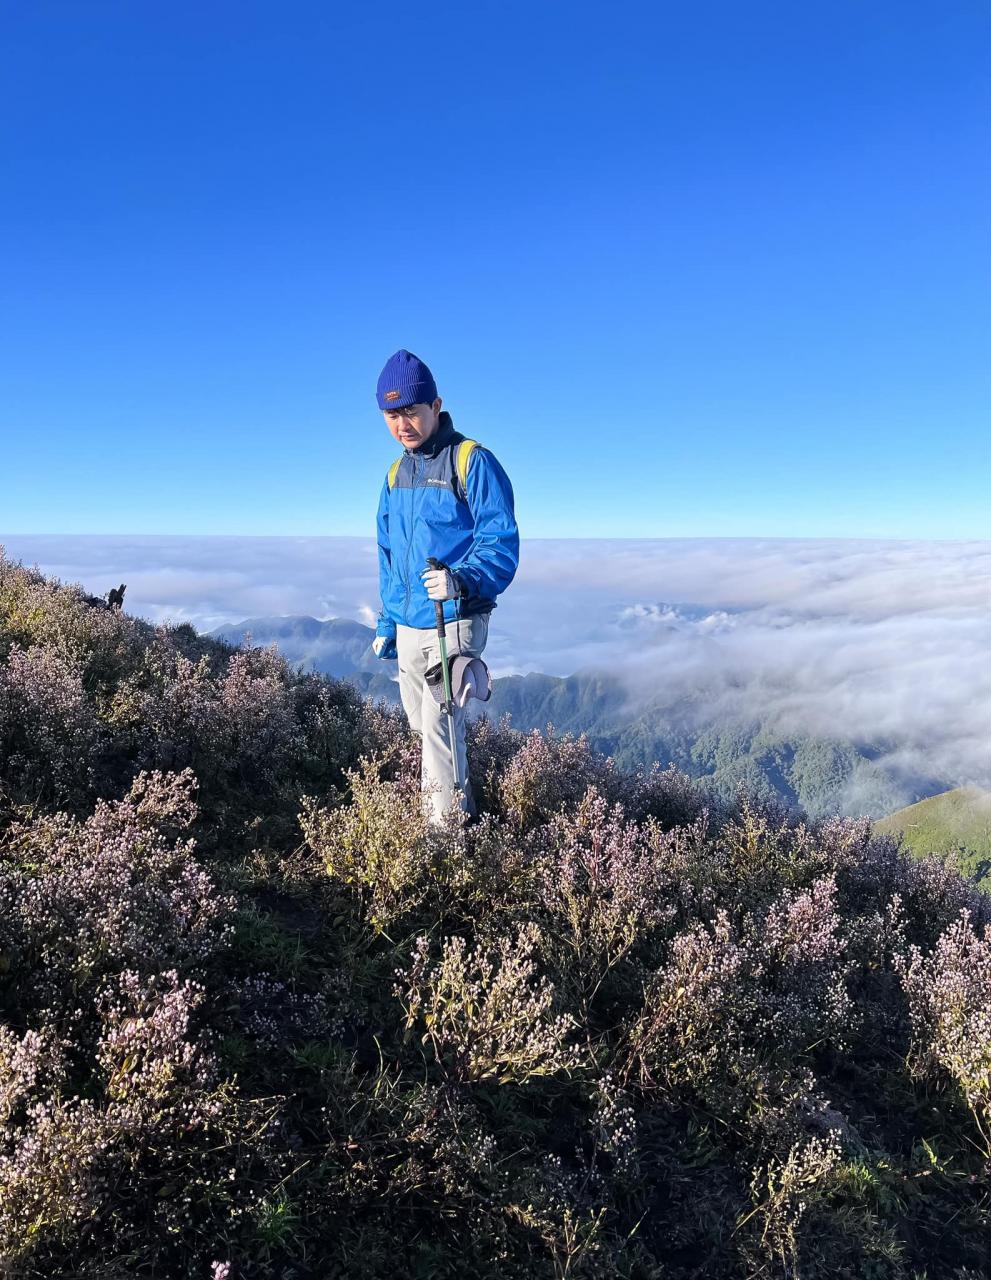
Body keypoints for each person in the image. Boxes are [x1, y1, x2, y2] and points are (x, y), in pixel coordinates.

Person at [371, 349, 519, 826]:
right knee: (426, 730)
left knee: (438, 729)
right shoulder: (396, 475)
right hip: (411, 626)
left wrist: (460, 581)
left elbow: (500, 542)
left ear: (435, 406)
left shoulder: (470, 461)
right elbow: (388, 556)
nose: (402, 424)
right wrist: (387, 622)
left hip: (453, 619)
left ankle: (447, 845)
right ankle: (458, 819)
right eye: (392, 415)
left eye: (411, 411)